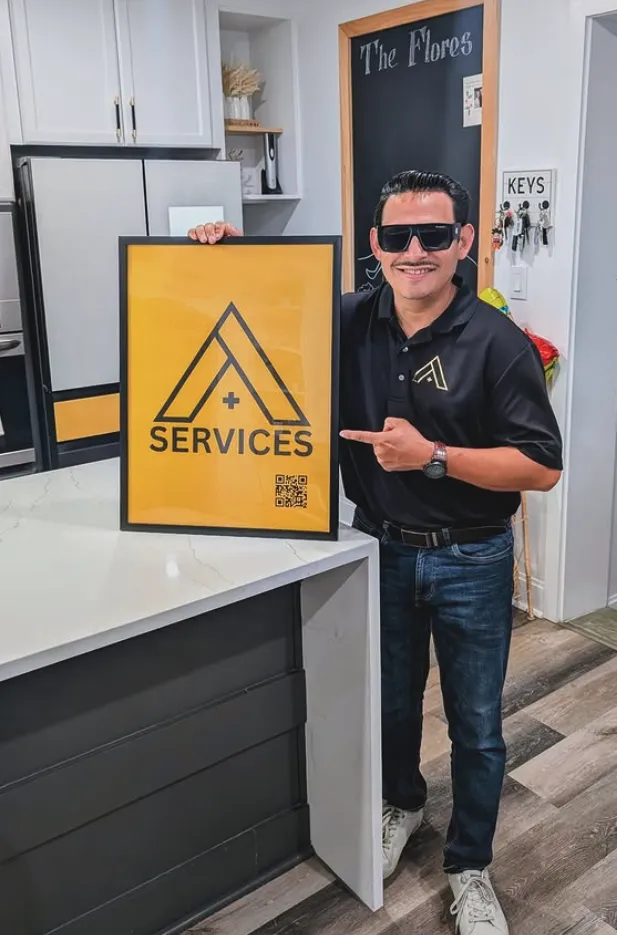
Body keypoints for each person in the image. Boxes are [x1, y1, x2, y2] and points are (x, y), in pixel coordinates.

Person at [188, 170, 563, 935]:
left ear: (463, 240)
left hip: (471, 557)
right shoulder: (349, 320)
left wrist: (434, 457)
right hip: (376, 550)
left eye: (434, 234)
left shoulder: (498, 343)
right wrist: (230, 252)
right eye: (397, 235)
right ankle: (402, 804)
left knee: (476, 725)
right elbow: (258, 316)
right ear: (374, 243)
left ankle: (469, 865)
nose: (414, 250)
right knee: (389, 703)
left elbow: (540, 466)